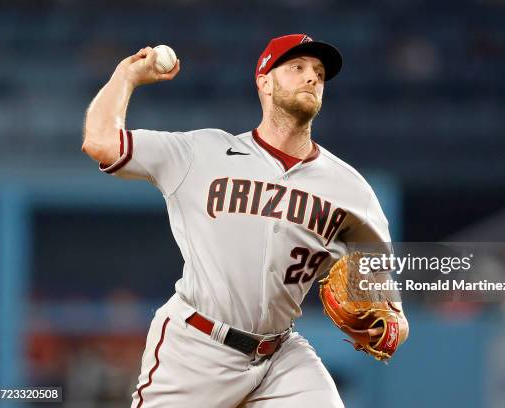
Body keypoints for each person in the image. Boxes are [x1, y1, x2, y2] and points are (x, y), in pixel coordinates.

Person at [82, 33, 409, 408]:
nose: (312, 78)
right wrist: (125, 77)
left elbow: (382, 283)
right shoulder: (200, 152)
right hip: (196, 348)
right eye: (297, 67)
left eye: (319, 73)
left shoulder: (350, 188)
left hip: (279, 354)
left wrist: (391, 322)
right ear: (264, 81)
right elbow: (101, 142)